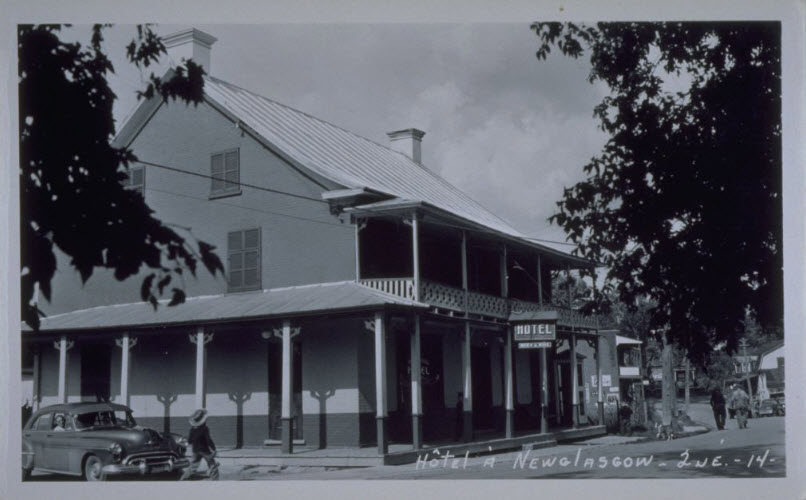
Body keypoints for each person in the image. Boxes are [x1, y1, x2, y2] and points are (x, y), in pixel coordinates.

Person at [180, 409, 219, 480]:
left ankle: (183, 478)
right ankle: (215, 480)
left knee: (193, 466)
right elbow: (208, 440)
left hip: (195, 450)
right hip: (205, 450)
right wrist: (213, 448)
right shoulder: (205, 428)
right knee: (212, 465)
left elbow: (190, 441)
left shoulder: (192, 429)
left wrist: (186, 441)